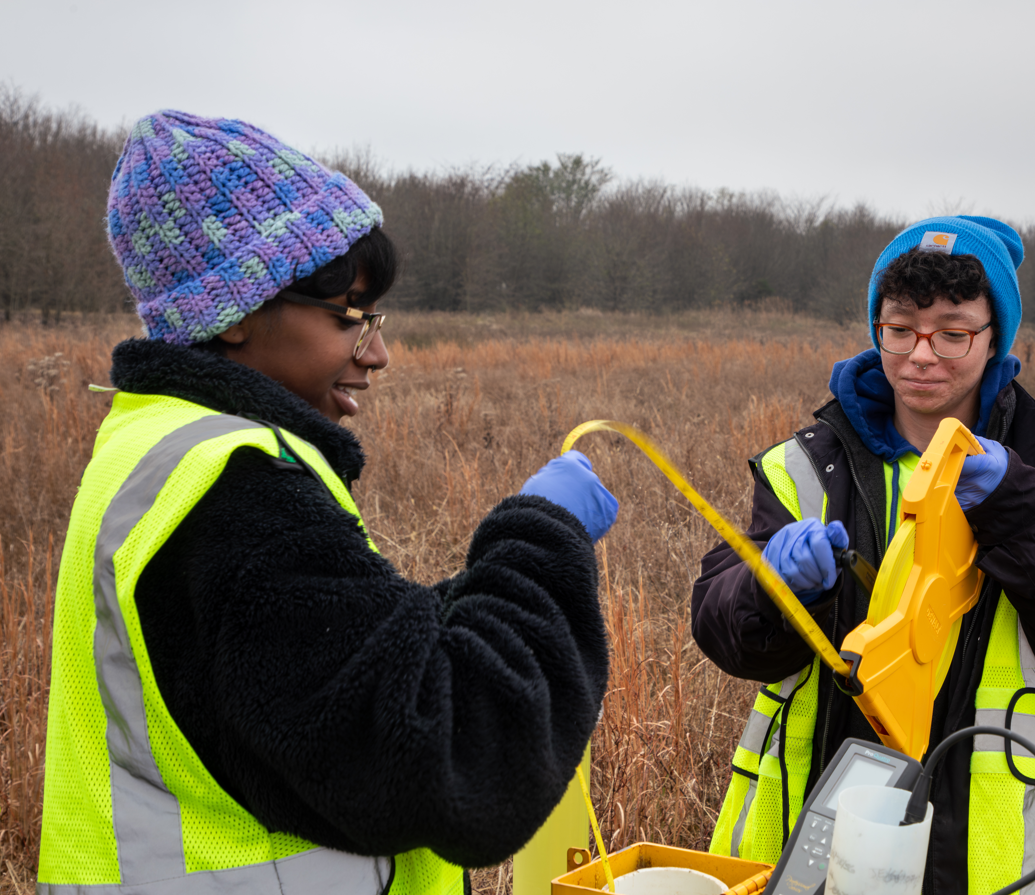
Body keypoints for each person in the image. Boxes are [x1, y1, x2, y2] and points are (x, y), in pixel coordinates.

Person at [37, 111, 617, 895]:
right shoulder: (236, 495)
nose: (377, 353)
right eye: (350, 315)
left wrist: (468, 593)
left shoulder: (154, 450)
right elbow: (460, 757)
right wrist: (541, 542)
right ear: (235, 310)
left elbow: (301, 672)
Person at [691, 216, 1035, 893]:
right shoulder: (804, 468)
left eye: (952, 333)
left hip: (993, 865)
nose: (921, 355)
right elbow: (728, 638)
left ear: (994, 340)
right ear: (876, 329)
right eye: (899, 329)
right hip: (814, 849)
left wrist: (1019, 506)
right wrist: (771, 588)